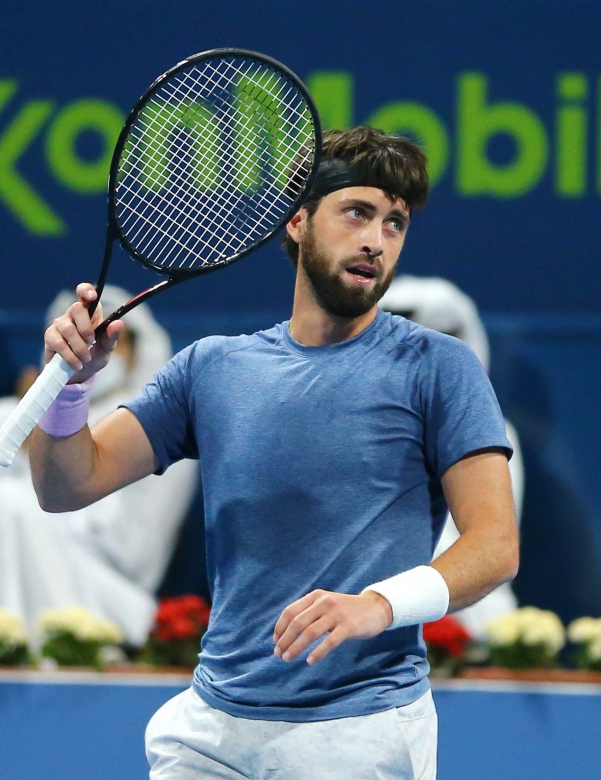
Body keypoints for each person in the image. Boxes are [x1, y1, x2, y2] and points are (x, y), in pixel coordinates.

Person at [31, 127, 518, 778]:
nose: (376, 239)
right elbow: (64, 486)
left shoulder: (439, 368)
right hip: (210, 729)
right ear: (296, 221)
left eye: (395, 223)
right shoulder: (212, 368)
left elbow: (494, 546)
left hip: (358, 730)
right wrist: (68, 387)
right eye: (357, 212)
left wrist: (378, 604)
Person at [0, 286, 199, 647]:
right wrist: (36, 428)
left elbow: (134, 554)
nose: (97, 346)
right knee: (4, 504)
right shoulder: (5, 418)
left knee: (10, 504)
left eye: (111, 336)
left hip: (103, 590)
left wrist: (49, 458)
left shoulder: (158, 430)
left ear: (138, 349)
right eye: (86, 335)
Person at [378, 275, 525, 640]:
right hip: (367, 623)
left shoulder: (492, 430)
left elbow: (487, 546)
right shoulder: (357, 429)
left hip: (469, 623)